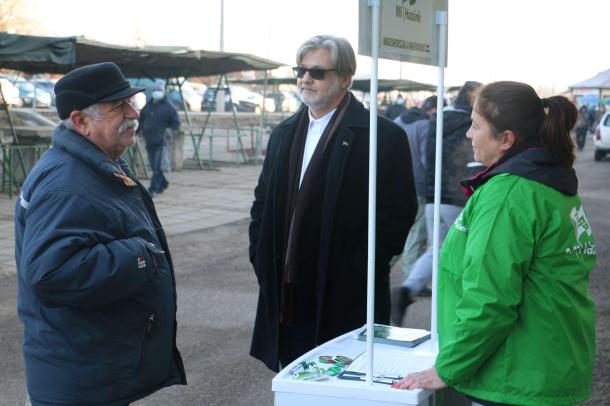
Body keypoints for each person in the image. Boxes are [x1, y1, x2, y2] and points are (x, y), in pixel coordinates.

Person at [393, 81, 596, 406]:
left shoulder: (508, 195)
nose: (469, 134)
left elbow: (490, 300)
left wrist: (447, 370)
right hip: (544, 364)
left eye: (476, 126)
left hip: (516, 376)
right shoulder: (546, 182)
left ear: (506, 139)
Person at [15, 62, 186, 406]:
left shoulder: (95, 162)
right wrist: (139, 255)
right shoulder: (66, 184)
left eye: (131, 102)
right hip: (79, 381)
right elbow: (51, 273)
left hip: (92, 369)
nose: (133, 114)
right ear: (81, 122)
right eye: (117, 107)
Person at [248, 35, 418, 371]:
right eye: (301, 70)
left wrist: (361, 265)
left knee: (343, 384)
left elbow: (398, 213)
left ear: (345, 77)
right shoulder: (284, 133)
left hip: (346, 295)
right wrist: (259, 253)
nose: (305, 79)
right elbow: (262, 202)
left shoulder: (381, 137)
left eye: (317, 72)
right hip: (289, 294)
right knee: (296, 383)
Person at [392, 81, 481, 326]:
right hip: (457, 197)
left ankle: (407, 289)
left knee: (437, 250)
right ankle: (459, 311)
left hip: (433, 196)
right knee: (465, 252)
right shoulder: (468, 124)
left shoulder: (437, 119)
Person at [392, 95, 441, 292]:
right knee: (417, 233)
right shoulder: (426, 125)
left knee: (396, 232)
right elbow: (427, 157)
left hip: (395, 184)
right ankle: (411, 278)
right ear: (433, 110)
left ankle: (377, 269)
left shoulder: (397, 121)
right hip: (419, 186)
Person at [139, 80, 180, 196]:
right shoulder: (147, 106)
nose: (157, 92)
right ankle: (163, 183)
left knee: (157, 167)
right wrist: (137, 131)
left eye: (159, 90)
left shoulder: (168, 108)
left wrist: (168, 131)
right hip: (149, 140)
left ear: (163, 92)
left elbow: (175, 124)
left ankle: (153, 188)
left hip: (161, 142)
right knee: (153, 166)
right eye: (155, 90)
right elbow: (141, 120)